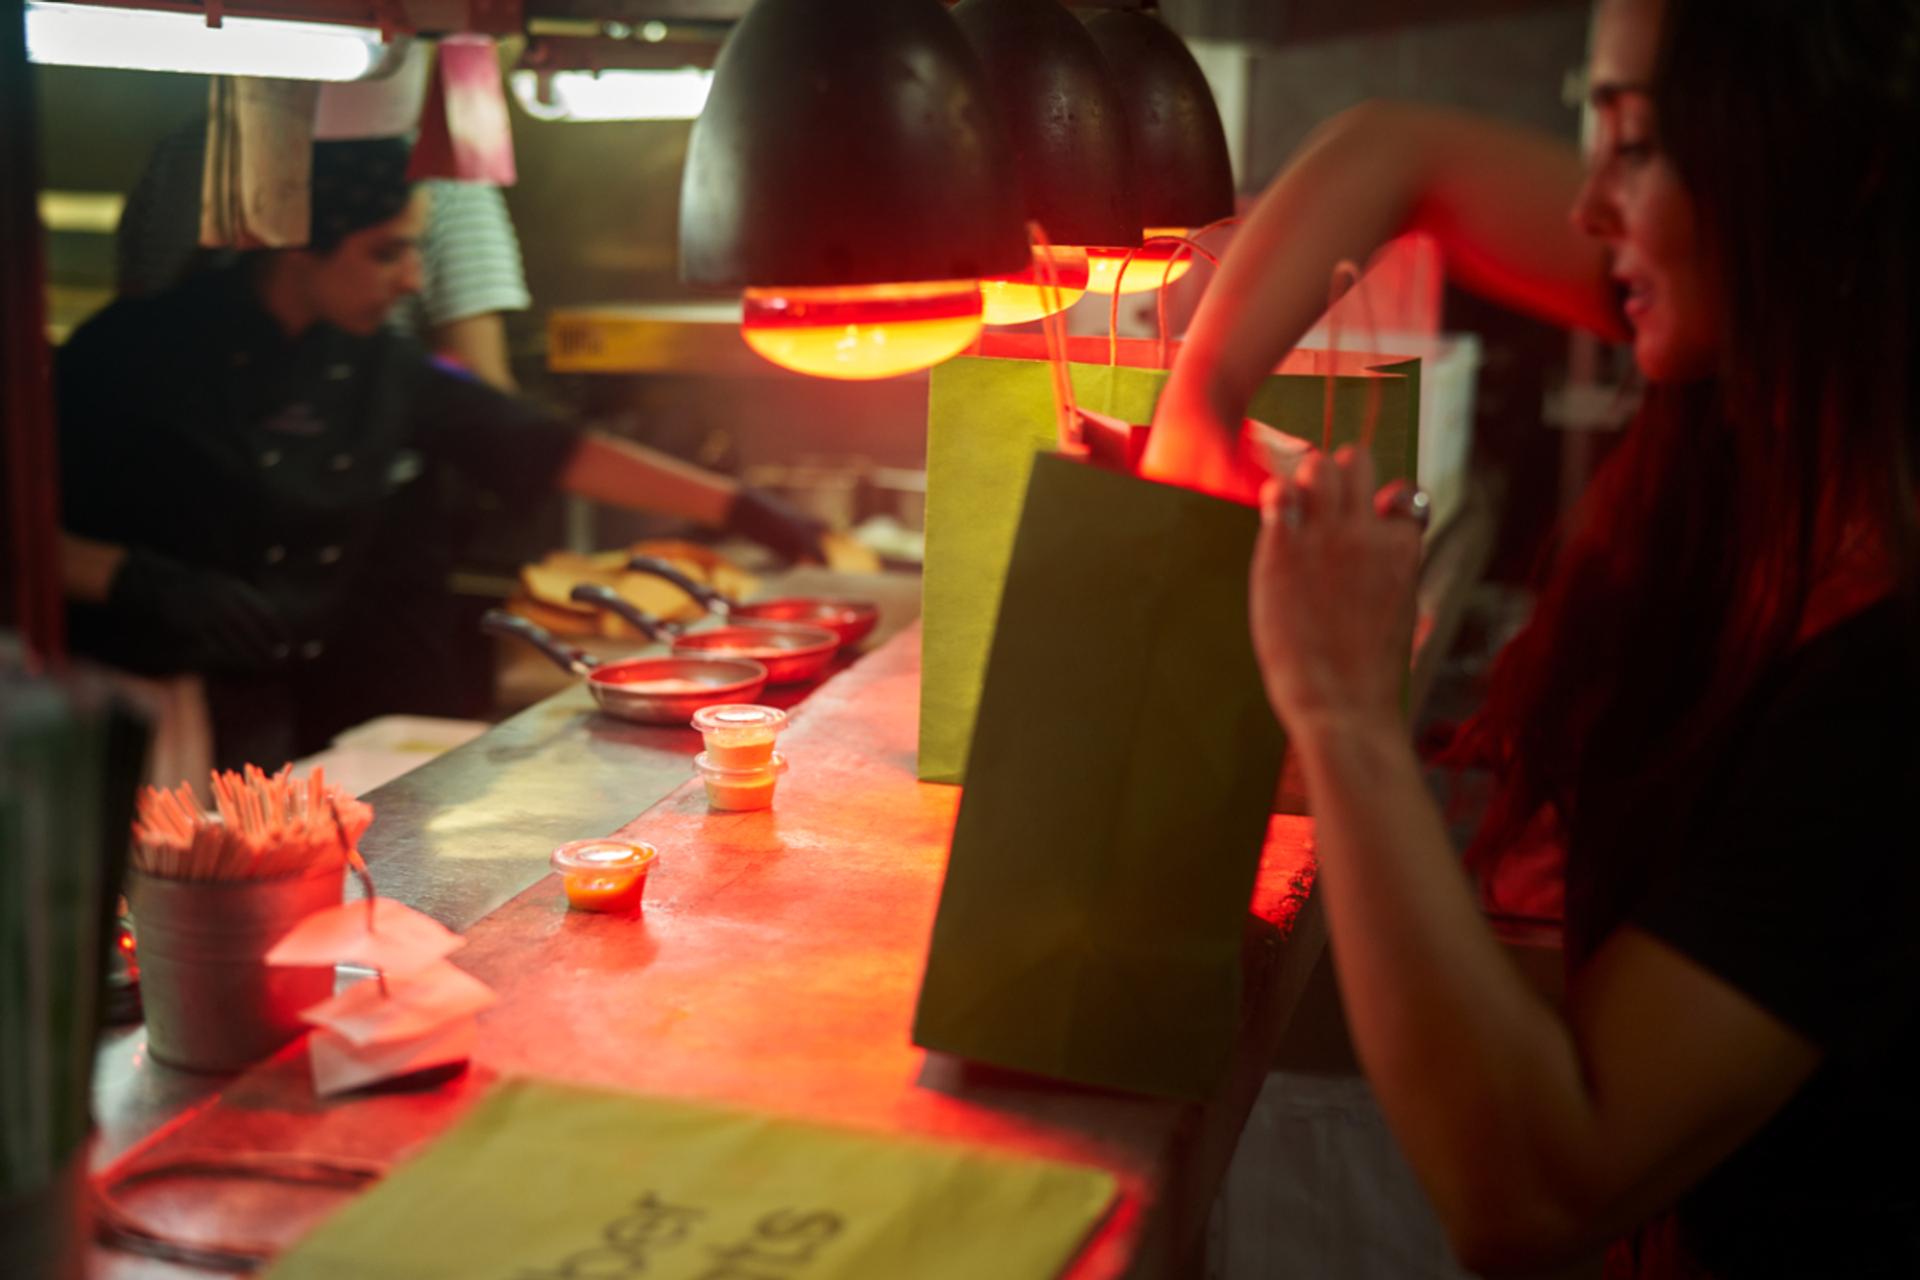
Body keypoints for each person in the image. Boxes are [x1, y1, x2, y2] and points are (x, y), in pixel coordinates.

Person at [1148, 0, 1918, 1275]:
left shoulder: (1882, 685)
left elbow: (1537, 1187)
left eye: (1637, 144)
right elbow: (1396, 152)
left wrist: (1341, 706)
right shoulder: (1790, 353)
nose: (1588, 207)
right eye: (1596, 138)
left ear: (1840, 159)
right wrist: (1200, 409)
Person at [59, 137, 823, 772]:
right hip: (140, 698)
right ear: (300, 250)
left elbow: (544, 446)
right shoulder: (131, 353)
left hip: (295, 689)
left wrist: (743, 508)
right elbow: (21, 525)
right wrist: (137, 581)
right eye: (386, 252)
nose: (412, 279)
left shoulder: (370, 363)